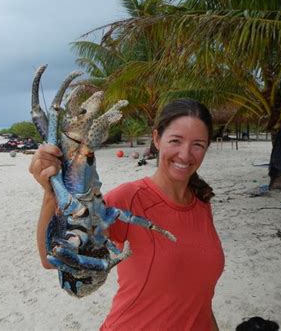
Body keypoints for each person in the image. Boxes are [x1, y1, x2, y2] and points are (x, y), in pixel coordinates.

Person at [28, 99, 224, 330]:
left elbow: (199, 296)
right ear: (156, 139)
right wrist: (51, 192)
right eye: (175, 141)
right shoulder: (127, 198)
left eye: (198, 144)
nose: (185, 154)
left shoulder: (202, 203)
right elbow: (51, 259)